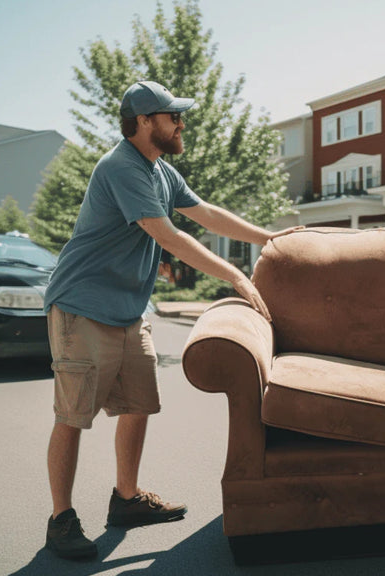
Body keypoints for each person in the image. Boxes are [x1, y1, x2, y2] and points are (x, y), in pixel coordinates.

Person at [41, 80, 297, 560]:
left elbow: (205, 214)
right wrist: (237, 278)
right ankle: (60, 520)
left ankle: (126, 499)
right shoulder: (122, 167)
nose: (181, 122)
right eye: (171, 115)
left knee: (138, 404)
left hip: (127, 309)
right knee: (73, 415)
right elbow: (170, 236)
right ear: (142, 122)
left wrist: (269, 237)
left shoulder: (159, 170)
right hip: (81, 307)